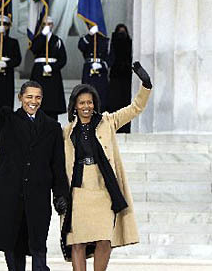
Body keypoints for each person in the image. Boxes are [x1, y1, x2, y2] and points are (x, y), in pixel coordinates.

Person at [0, 55, 69, 271]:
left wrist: (61, 194)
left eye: (38, 97)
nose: (33, 101)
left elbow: (57, 164)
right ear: (20, 97)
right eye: (29, 96)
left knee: (38, 247)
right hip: (10, 196)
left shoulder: (52, 127)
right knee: (13, 249)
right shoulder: (7, 120)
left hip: (37, 198)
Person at [61, 61, 152, 270]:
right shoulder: (66, 132)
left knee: (104, 239)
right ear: (74, 105)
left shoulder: (108, 122)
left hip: (103, 189)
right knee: (77, 241)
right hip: (77, 191)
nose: (86, 106)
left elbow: (135, 108)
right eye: (82, 103)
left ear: (95, 104)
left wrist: (145, 85)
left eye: (90, 102)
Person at [30, 16, 67, 120]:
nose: (47, 26)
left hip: (52, 73)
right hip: (39, 72)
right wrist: (42, 35)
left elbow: (63, 59)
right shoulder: (37, 38)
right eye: (45, 24)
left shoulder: (57, 40)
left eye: (49, 24)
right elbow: (34, 49)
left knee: (52, 102)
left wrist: (52, 67)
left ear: (52, 26)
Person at [78, 25, 109, 112]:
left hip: (100, 71)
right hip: (89, 70)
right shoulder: (87, 39)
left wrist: (102, 65)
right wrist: (90, 34)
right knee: (87, 94)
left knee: (101, 97)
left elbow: (111, 57)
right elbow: (81, 46)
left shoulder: (105, 41)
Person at [108, 24, 132, 133]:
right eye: (120, 32)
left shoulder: (129, 43)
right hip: (115, 78)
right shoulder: (113, 44)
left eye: (123, 32)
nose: (122, 35)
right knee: (114, 104)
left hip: (126, 78)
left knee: (126, 105)